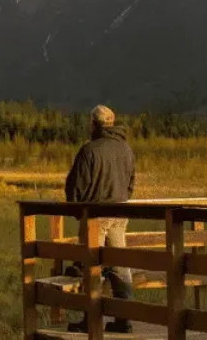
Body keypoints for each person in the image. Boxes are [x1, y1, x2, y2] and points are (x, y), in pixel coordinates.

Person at [63, 104, 136, 335]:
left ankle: (89, 321)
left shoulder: (89, 150)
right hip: (120, 213)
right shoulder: (126, 149)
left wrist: (77, 212)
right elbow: (131, 184)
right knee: (120, 267)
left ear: (94, 124)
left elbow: (76, 186)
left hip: (94, 216)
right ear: (112, 124)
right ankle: (124, 319)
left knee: (90, 266)